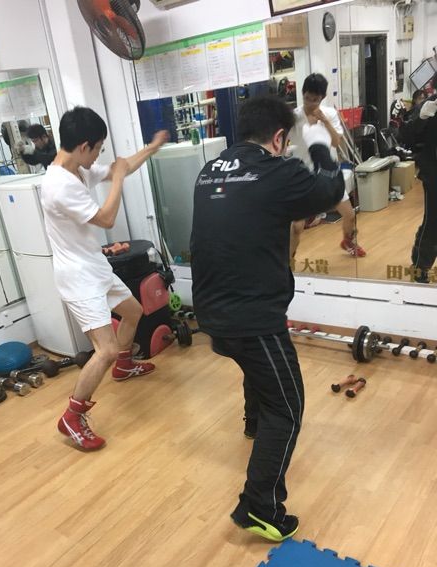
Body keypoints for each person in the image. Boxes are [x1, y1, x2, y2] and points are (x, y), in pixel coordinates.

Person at [190, 96, 344, 542]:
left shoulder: (209, 171)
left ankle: (253, 422)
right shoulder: (277, 170)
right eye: (287, 141)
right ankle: (261, 508)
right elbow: (332, 190)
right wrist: (319, 146)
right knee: (289, 407)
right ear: (278, 138)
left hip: (210, 312)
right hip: (252, 318)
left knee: (257, 370)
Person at [41, 106, 168, 450]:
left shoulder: (77, 169)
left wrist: (151, 148)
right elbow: (107, 218)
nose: (99, 155)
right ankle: (72, 417)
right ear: (84, 146)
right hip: (77, 277)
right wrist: (120, 177)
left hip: (94, 265)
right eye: (98, 148)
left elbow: (118, 167)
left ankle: (123, 366)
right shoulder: (58, 185)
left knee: (133, 311)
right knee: (106, 349)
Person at [288, 73, 366, 259]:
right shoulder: (294, 117)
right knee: (297, 226)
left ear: (322, 98)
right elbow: (281, 140)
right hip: (303, 177)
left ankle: (348, 241)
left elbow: (336, 142)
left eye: (315, 100)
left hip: (328, 176)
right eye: (307, 98)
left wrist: (324, 121)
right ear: (302, 94)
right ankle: (288, 260)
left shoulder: (329, 114)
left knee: (349, 215)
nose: (310, 103)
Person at [408, 75, 437, 283]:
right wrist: (422, 118)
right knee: (433, 221)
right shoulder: (429, 106)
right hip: (434, 174)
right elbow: (406, 136)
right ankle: (420, 267)